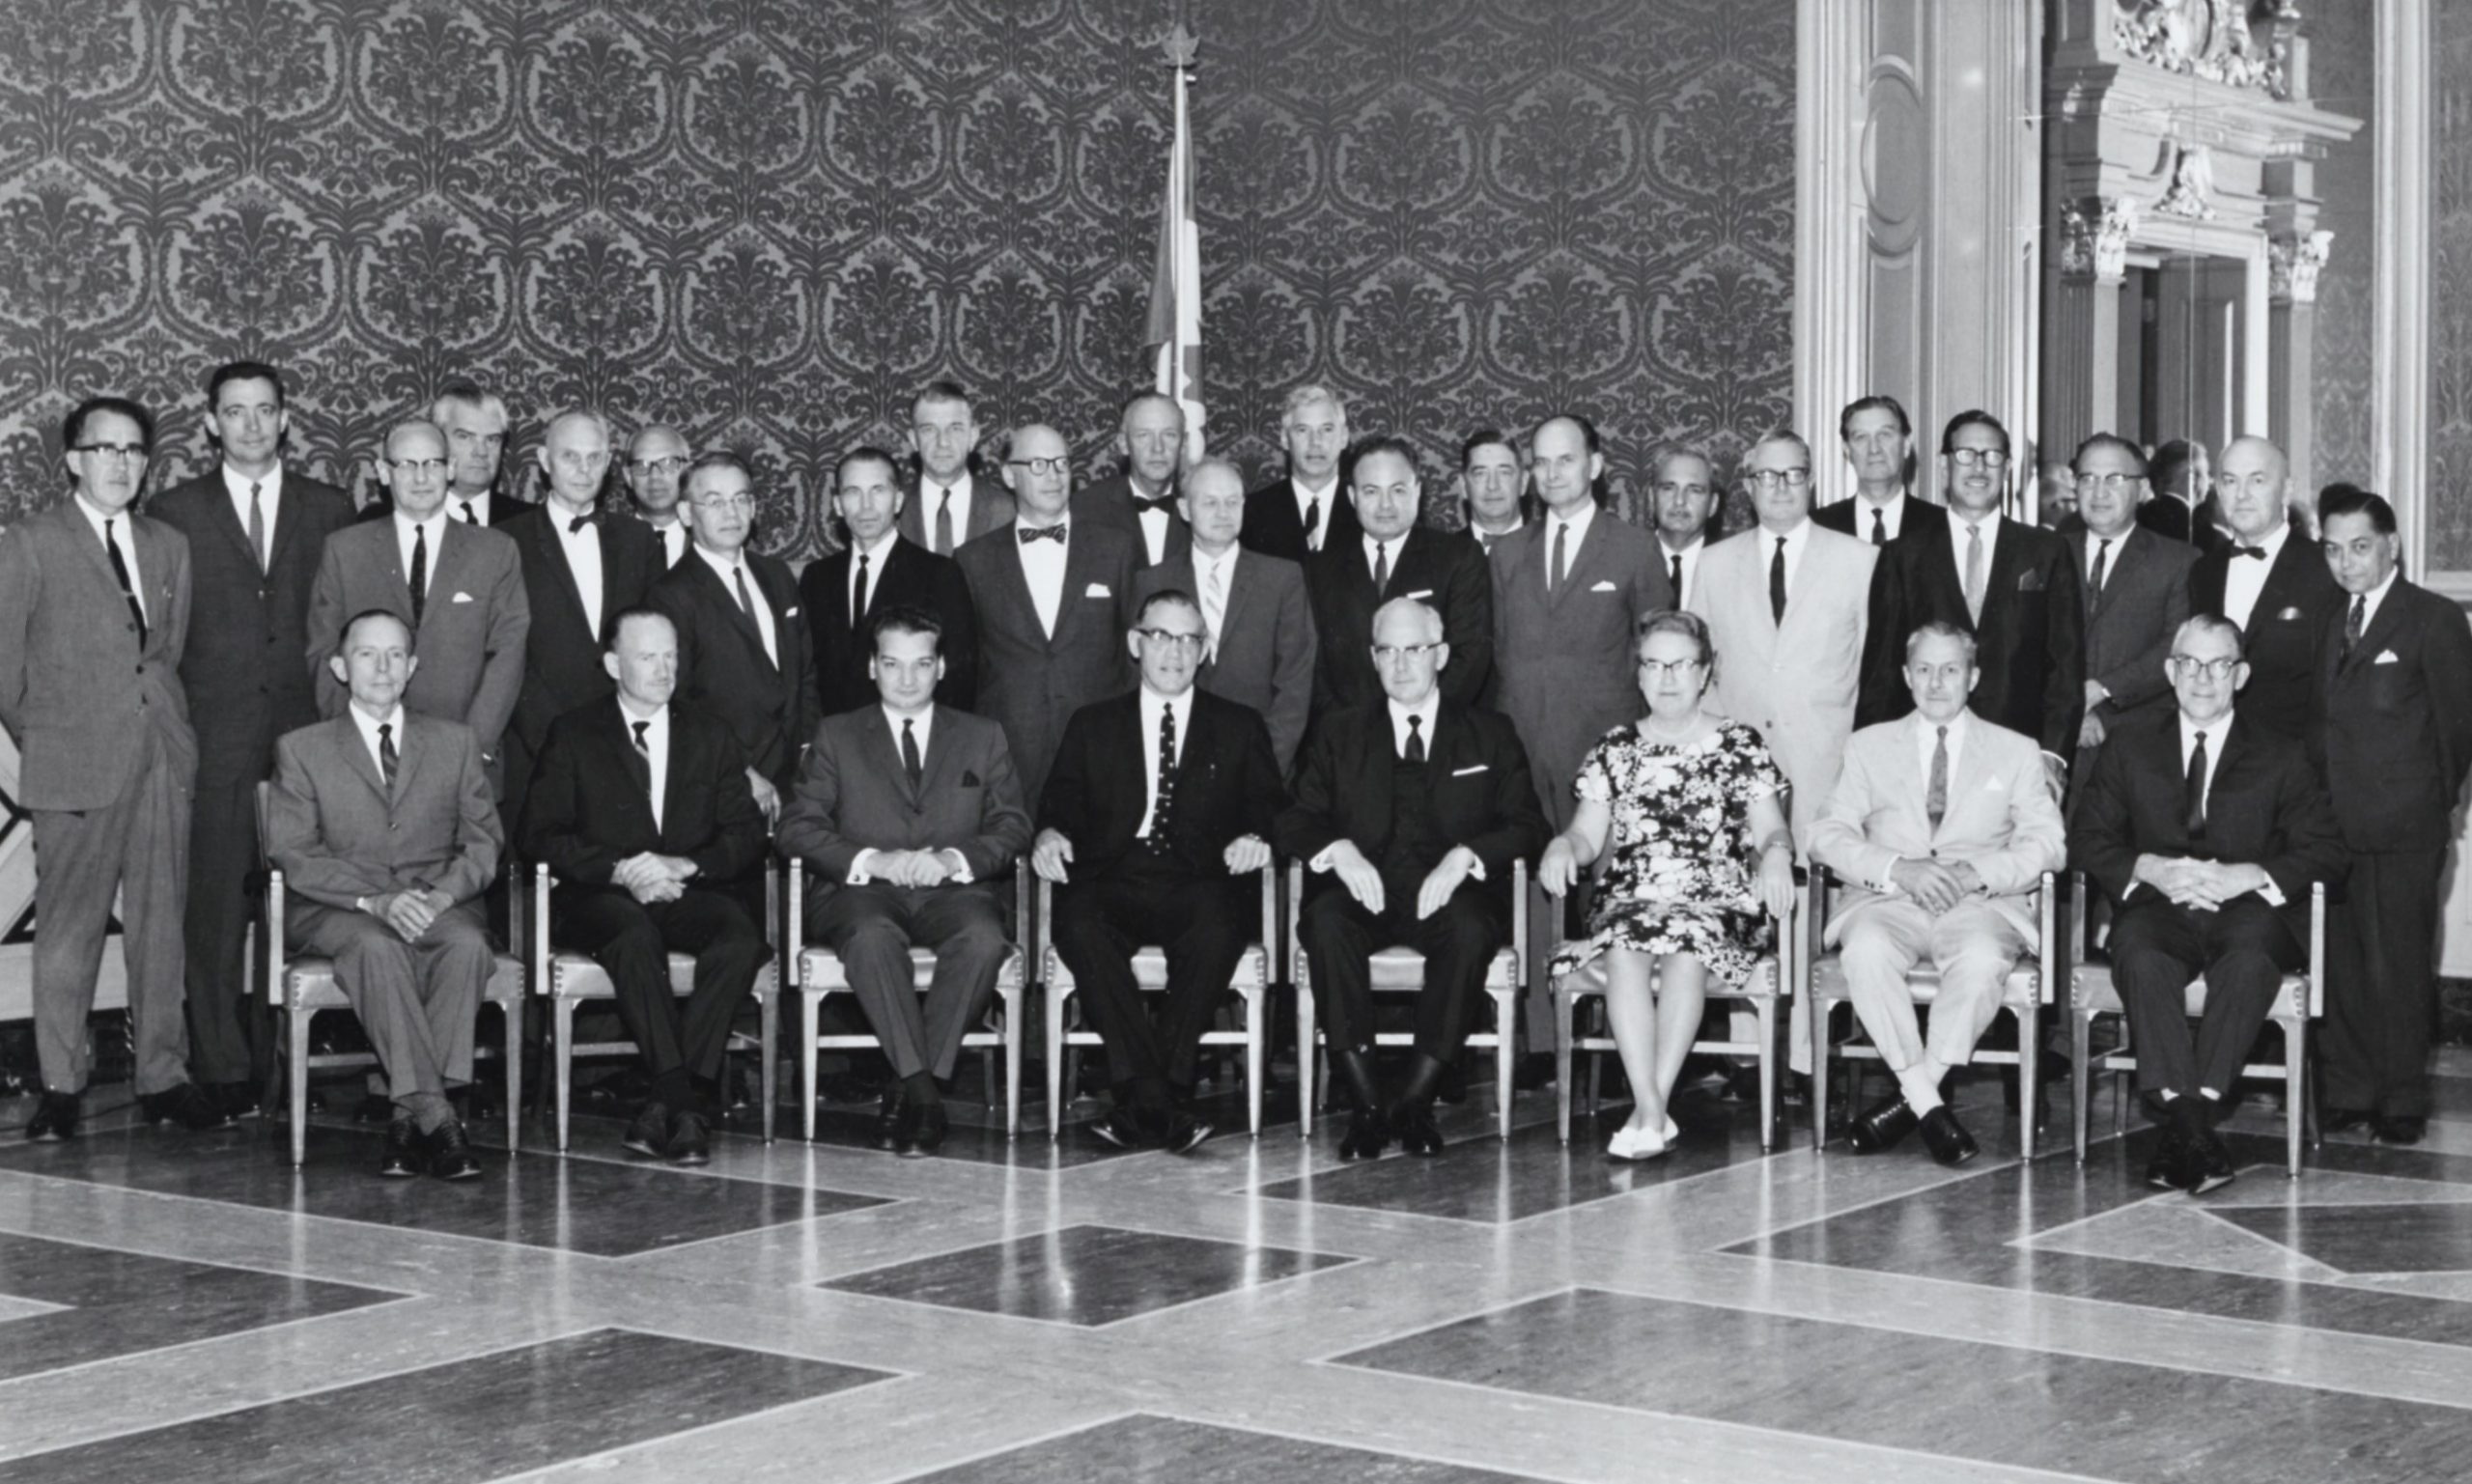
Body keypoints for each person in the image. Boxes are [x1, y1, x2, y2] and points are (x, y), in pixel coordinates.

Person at [0, 394, 221, 1139]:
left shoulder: (168, 545)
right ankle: (61, 1084)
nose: (120, 463)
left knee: (163, 922)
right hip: (73, 760)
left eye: (132, 450)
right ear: (72, 460)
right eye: (105, 449)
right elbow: (4, 668)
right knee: (69, 929)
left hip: (159, 752)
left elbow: (165, 651)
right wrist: (53, 736)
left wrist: (166, 732)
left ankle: (164, 1075)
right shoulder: (30, 542)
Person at [2074, 615, 2346, 1191]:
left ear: (2240, 674)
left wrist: (2249, 875)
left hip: (2248, 913)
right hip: (2156, 907)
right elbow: (2088, 838)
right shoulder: (2130, 745)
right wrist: (2149, 868)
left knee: (2250, 961)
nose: (2203, 678)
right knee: (2142, 954)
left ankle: (2185, 1123)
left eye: (2219, 664)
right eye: (2190, 664)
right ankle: (2196, 1127)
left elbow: (2326, 850)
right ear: (2171, 672)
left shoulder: (2281, 752)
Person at [151, 360, 356, 1115]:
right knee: (211, 908)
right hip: (214, 738)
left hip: (308, 741)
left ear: (286, 418)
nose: (250, 425)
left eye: (264, 410)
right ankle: (223, 1067)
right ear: (210, 421)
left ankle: (291, 1066)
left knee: (306, 903)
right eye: (234, 411)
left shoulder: (330, 507)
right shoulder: (173, 511)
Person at [1277, 599, 1550, 1160]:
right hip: (1364, 890)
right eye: (1387, 651)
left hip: (1449, 893)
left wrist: (1464, 858)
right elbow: (1295, 817)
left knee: (1473, 929)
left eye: (1415, 650)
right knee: (1324, 924)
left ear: (1442, 655)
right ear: (1373, 660)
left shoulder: (1489, 732)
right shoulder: (1339, 731)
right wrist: (1338, 850)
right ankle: (1367, 1103)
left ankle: (1418, 1099)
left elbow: (1527, 825)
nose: (1401, 665)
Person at [775, 606, 1032, 1157]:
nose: (908, 678)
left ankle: (913, 1089)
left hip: (955, 891)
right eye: (893, 664)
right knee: (870, 939)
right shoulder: (837, 735)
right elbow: (798, 826)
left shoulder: (982, 736)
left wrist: (953, 859)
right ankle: (925, 1093)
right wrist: (873, 859)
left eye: (921, 664)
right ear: (872, 667)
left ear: (941, 668)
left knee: (984, 940)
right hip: (863, 894)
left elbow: (1013, 825)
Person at [1034, 590, 1285, 1152]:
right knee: (1078, 925)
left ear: (1205, 650)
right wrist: (1049, 834)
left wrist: (1257, 837)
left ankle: (1143, 1098)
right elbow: (1058, 805)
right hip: (1113, 875)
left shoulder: (1239, 725)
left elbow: (1271, 808)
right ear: (1135, 643)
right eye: (1161, 636)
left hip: (1199, 877)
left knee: (1219, 928)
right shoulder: (1093, 723)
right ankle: (1161, 1097)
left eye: (1189, 639)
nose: (1174, 652)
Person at [1539, 612, 1796, 1160]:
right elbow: (1587, 835)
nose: (1667, 677)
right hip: (1633, 898)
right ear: (1639, 676)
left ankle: (1645, 1113)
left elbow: (1771, 825)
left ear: (1705, 673)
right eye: (1653, 665)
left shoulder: (1738, 743)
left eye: (1680, 664)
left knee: (1684, 949)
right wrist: (1564, 845)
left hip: (1717, 899)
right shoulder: (1615, 748)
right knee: (1630, 944)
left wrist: (1776, 852)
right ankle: (1654, 1111)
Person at [1810, 622, 2067, 1165]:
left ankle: (1912, 1099)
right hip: (1886, 901)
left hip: (1978, 905)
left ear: (1972, 677)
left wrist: (1977, 874)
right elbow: (1826, 835)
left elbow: (2048, 844)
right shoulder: (1867, 745)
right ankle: (1928, 1101)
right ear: (1906, 676)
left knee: (1979, 962)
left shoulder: (2017, 750)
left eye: (1950, 670)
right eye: (1923, 669)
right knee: (1866, 951)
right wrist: (1897, 869)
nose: (1936, 682)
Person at [520, 608, 770, 1165]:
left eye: (670, 656)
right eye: (646, 656)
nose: (663, 670)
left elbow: (746, 835)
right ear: (613, 663)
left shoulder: (710, 732)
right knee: (633, 936)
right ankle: (687, 1101)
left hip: (687, 891)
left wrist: (685, 865)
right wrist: (619, 868)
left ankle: (669, 1101)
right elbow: (538, 834)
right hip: (603, 897)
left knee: (739, 939)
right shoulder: (574, 732)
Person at [265, 609, 502, 1180]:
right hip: (342, 911)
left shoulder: (455, 741)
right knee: (378, 948)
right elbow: (294, 853)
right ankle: (438, 1117)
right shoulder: (302, 748)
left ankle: (405, 1117)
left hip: (434, 903)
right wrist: (374, 900)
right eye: (368, 654)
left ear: (413, 666)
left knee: (467, 947)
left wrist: (443, 897)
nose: (383, 667)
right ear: (342, 667)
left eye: (396, 654)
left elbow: (484, 841)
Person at [1490, 414, 1671, 1078]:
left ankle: (1627, 1047)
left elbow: (1657, 653)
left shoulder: (1633, 548)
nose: (1552, 473)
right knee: (1537, 892)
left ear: (1595, 465)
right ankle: (1544, 1041)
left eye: (1566, 460)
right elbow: (1500, 655)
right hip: (1523, 748)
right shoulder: (1507, 553)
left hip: (1608, 755)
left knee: (1620, 894)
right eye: (1540, 462)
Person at [2312, 487, 2472, 1144]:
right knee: (2343, 963)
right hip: (2334, 827)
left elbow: (2458, 729)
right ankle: (2350, 1089)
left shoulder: (2431, 617)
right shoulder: (2330, 616)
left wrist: (2433, 807)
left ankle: (2402, 1097)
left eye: (2359, 547)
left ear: (2391, 546)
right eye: (2333, 549)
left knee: (2400, 965)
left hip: (2405, 827)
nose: (2346, 563)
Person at [1859, 409, 2084, 785]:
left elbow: (2066, 665)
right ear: (1945, 466)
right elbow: (1881, 673)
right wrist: (1871, 765)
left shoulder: (2047, 551)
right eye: (1966, 454)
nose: (1979, 467)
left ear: (2008, 467)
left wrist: (2052, 757)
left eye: (1992, 456)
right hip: (1921, 761)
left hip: (2022, 761)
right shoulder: (1902, 556)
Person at [306, 418, 530, 794]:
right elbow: (323, 651)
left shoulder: (495, 551)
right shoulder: (345, 549)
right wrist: (352, 743)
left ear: (452, 469)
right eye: (407, 464)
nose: (421, 477)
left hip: (466, 760)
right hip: (364, 762)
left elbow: (508, 654)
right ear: (383, 471)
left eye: (433, 464)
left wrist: (469, 749)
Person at [953, 422, 1138, 808]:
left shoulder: (1116, 549)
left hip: (1100, 754)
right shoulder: (974, 560)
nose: (1053, 475)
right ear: (1008, 474)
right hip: (1008, 755)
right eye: (1038, 464)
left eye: (1061, 463)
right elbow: (966, 669)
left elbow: (1134, 655)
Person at [501, 408, 660, 835]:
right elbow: (503, 651)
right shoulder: (506, 541)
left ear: (609, 464)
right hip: (536, 744)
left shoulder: (638, 539)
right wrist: (556, 741)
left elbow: (650, 644)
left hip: (625, 745)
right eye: (571, 457)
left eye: (594, 458)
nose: (584, 469)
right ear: (545, 460)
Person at [646, 452, 818, 826]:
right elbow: (677, 702)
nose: (731, 512)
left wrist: (808, 752)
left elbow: (804, 672)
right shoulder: (670, 595)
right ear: (687, 514)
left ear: (754, 507)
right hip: (724, 784)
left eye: (741, 499)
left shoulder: (777, 575)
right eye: (715, 501)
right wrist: (742, 772)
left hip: (794, 780)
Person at [1132, 458, 1316, 774]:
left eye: (1233, 501)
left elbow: (1295, 685)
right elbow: (1139, 679)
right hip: (1172, 766)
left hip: (1259, 763)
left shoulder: (1282, 579)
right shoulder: (1152, 582)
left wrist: (1262, 765)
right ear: (1185, 509)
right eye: (1210, 502)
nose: (1223, 513)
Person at [1305, 434, 1493, 713]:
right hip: (1347, 741)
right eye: (1371, 491)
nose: (1385, 505)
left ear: (1417, 491)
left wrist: (1416, 724)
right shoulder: (1320, 569)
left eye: (1398, 490)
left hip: (1433, 736)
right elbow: (1314, 670)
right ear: (1352, 496)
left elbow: (1469, 658)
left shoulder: (1457, 557)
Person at [801, 445, 978, 717]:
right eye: (853, 492)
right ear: (837, 504)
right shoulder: (817, 578)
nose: (866, 505)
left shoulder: (939, 573)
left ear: (897, 500)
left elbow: (958, 675)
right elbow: (806, 673)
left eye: (878, 490)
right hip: (833, 745)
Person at [2187, 436, 2342, 742]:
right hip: (2216, 758)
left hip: (2297, 767)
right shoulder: (2203, 572)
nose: (2242, 494)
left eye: (2257, 480)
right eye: (2230, 481)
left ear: (2286, 489)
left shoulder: (2325, 570)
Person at [2071, 434, 2196, 778]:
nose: (2099, 492)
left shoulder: (2178, 561)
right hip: (2055, 746)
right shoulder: (2048, 553)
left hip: (2139, 748)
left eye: (2114, 479)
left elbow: (2176, 645)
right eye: (2088, 478)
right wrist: (2072, 707)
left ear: (2142, 490)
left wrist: (2101, 690)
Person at [359, 381, 528, 527]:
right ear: (437, 441)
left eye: (492, 439)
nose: (481, 452)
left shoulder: (527, 521)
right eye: (465, 437)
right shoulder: (377, 521)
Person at [1242, 384, 1362, 560]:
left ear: (1344, 437)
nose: (1315, 442)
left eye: (1327, 430)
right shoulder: (1251, 512)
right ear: (1284, 439)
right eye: (1302, 430)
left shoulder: (1365, 507)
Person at [1073, 393, 1192, 569]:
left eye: (1169, 435)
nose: (1157, 448)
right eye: (1144, 435)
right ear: (1123, 444)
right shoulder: (1084, 509)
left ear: (1183, 444)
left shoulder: (1203, 509)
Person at [897, 380, 1014, 554]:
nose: (943, 442)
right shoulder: (891, 510)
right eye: (929, 429)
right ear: (914, 439)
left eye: (955, 429)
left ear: (973, 437)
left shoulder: (1008, 510)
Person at [1813, 394, 1933, 547]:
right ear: (1847, 451)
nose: (1874, 449)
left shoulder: (1943, 525)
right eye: (1861, 437)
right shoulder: (1819, 527)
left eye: (1884, 434)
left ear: (1906, 445)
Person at [1646, 442, 1718, 606]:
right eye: (1668, 488)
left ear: (1713, 504)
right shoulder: (1624, 564)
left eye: (1694, 490)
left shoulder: (1735, 570)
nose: (1679, 501)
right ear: (1651, 498)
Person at [623, 423, 693, 567]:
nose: (655, 476)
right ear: (628, 476)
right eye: (642, 465)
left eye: (668, 463)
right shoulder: (608, 543)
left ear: (687, 471)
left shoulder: (711, 539)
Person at [2139, 438, 2226, 553]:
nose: (2210, 481)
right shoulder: (2207, 536)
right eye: (2207, 473)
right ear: (2192, 478)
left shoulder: (2137, 518)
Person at [1459, 429, 1530, 554]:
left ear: (1523, 482)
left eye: (1504, 473)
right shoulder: (1439, 556)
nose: (1492, 486)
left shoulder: (1551, 549)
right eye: (1480, 474)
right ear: (1463, 486)